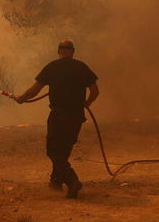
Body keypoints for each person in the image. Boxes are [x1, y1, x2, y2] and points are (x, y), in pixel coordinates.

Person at [14, 40, 99, 199]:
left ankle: (72, 180)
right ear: (72, 51)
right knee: (64, 149)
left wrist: (21, 98)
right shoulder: (82, 67)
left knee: (53, 151)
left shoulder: (52, 67)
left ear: (59, 51)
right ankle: (55, 182)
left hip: (59, 116)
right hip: (76, 117)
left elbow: (34, 90)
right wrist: (86, 104)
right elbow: (95, 91)